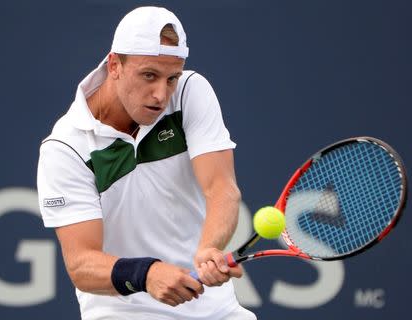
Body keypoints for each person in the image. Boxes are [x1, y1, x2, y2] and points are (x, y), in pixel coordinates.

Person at [37, 6, 256, 320]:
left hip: (218, 312)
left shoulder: (190, 92)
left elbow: (222, 188)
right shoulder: (65, 149)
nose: (160, 95)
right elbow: (81, 264)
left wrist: (209, 248)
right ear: (115, 65)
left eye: (171, 79)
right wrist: (147, 273)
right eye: (149, 75)